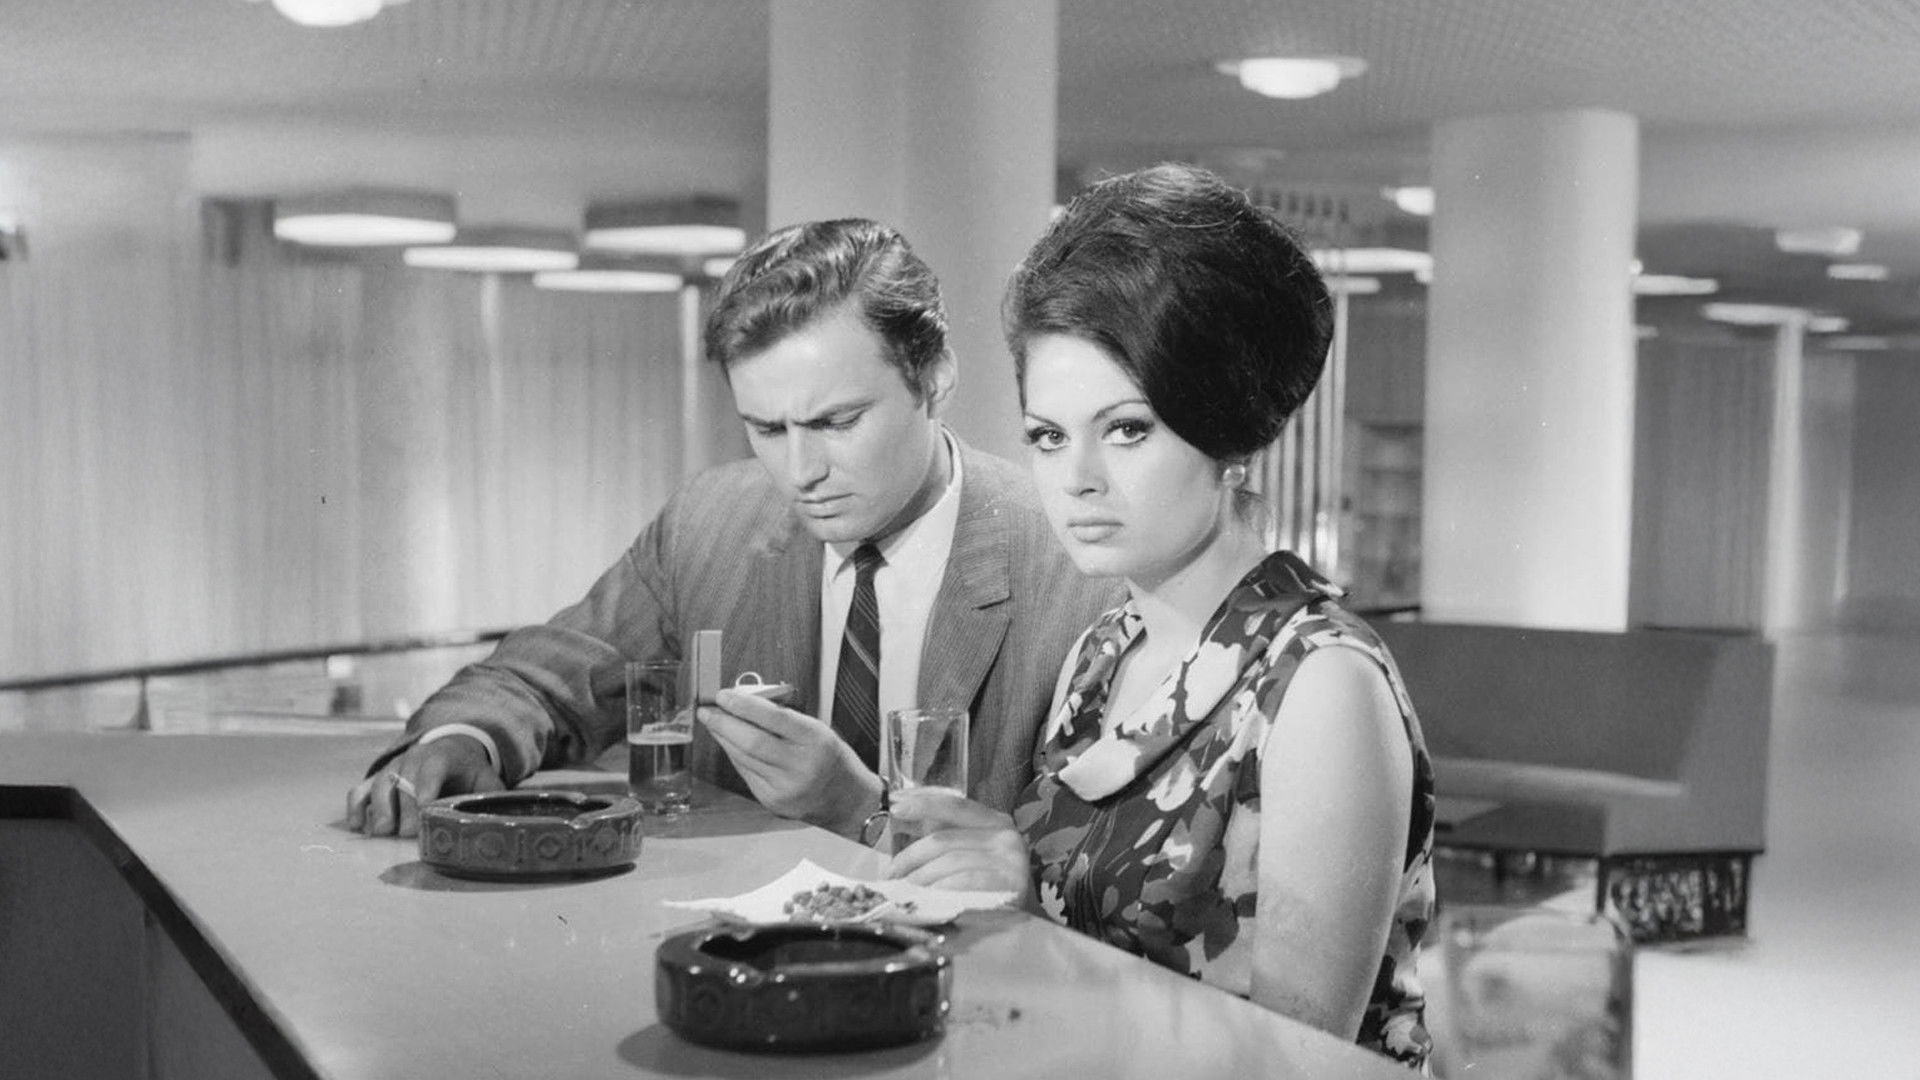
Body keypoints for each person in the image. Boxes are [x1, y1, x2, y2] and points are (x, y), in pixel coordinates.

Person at [886, 164, 1437, 1069]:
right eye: (1048, 436)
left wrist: (1026, 918)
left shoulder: (1321, 685)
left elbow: (1296, 1062)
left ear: (1227, 432)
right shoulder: (1103, 648)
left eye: (1128, 428)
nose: (1076, 480)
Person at [346, 218, 1121, 841]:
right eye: (767, 429)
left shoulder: (1074, 565)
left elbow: (1084, 883)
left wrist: (856, 807)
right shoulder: (710, 524)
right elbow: (538, 678)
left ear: (936, 379)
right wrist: (461, 740)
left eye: (837, 422)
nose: (800, 471)